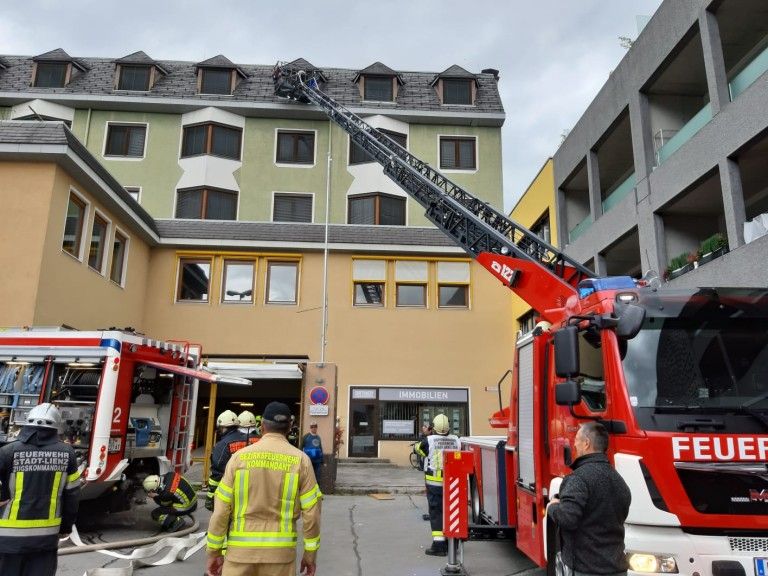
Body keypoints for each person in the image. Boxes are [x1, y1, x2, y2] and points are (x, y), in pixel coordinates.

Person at [207, 401, 322, 576]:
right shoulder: (301, 460)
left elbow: (220, 511)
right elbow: (312, 514)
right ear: (290, 427)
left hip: (239, 554)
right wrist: (310, 554)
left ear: (262, 427)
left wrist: (214, 552)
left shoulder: (239, 458)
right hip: (280, 556)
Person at [0, 403, 81, 576]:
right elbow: (72, 496)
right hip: (46, 540)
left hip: (7, 540)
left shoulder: (7, 452)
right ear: (56, 427)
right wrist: (66, 526)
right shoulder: (68, 454)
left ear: (26, 424)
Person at [546, 422, 631, 575]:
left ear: (586, 443)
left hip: (586, 569)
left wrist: (552, 506)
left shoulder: (578, 478)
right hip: (617, 568)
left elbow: (567, 519)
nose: (574, 444)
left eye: (576, 439)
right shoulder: (619, 480)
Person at [415, 413, 460, 556]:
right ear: (448, 427)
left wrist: (426, 433)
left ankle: (439, 545)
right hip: (453, 484)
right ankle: (452, 543)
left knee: (436, 513)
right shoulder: (456, 440)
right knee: (452, 512)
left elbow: (417, 449)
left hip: (435, 486)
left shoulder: (429, 441)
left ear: (433, 427)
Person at [206, 409, 247, 511]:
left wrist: (210, 497)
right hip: (248, 489)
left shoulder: (222, 445)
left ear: (223, 427)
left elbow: (217, 473)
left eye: (219, 428)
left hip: (229, 490)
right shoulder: (247, 440)